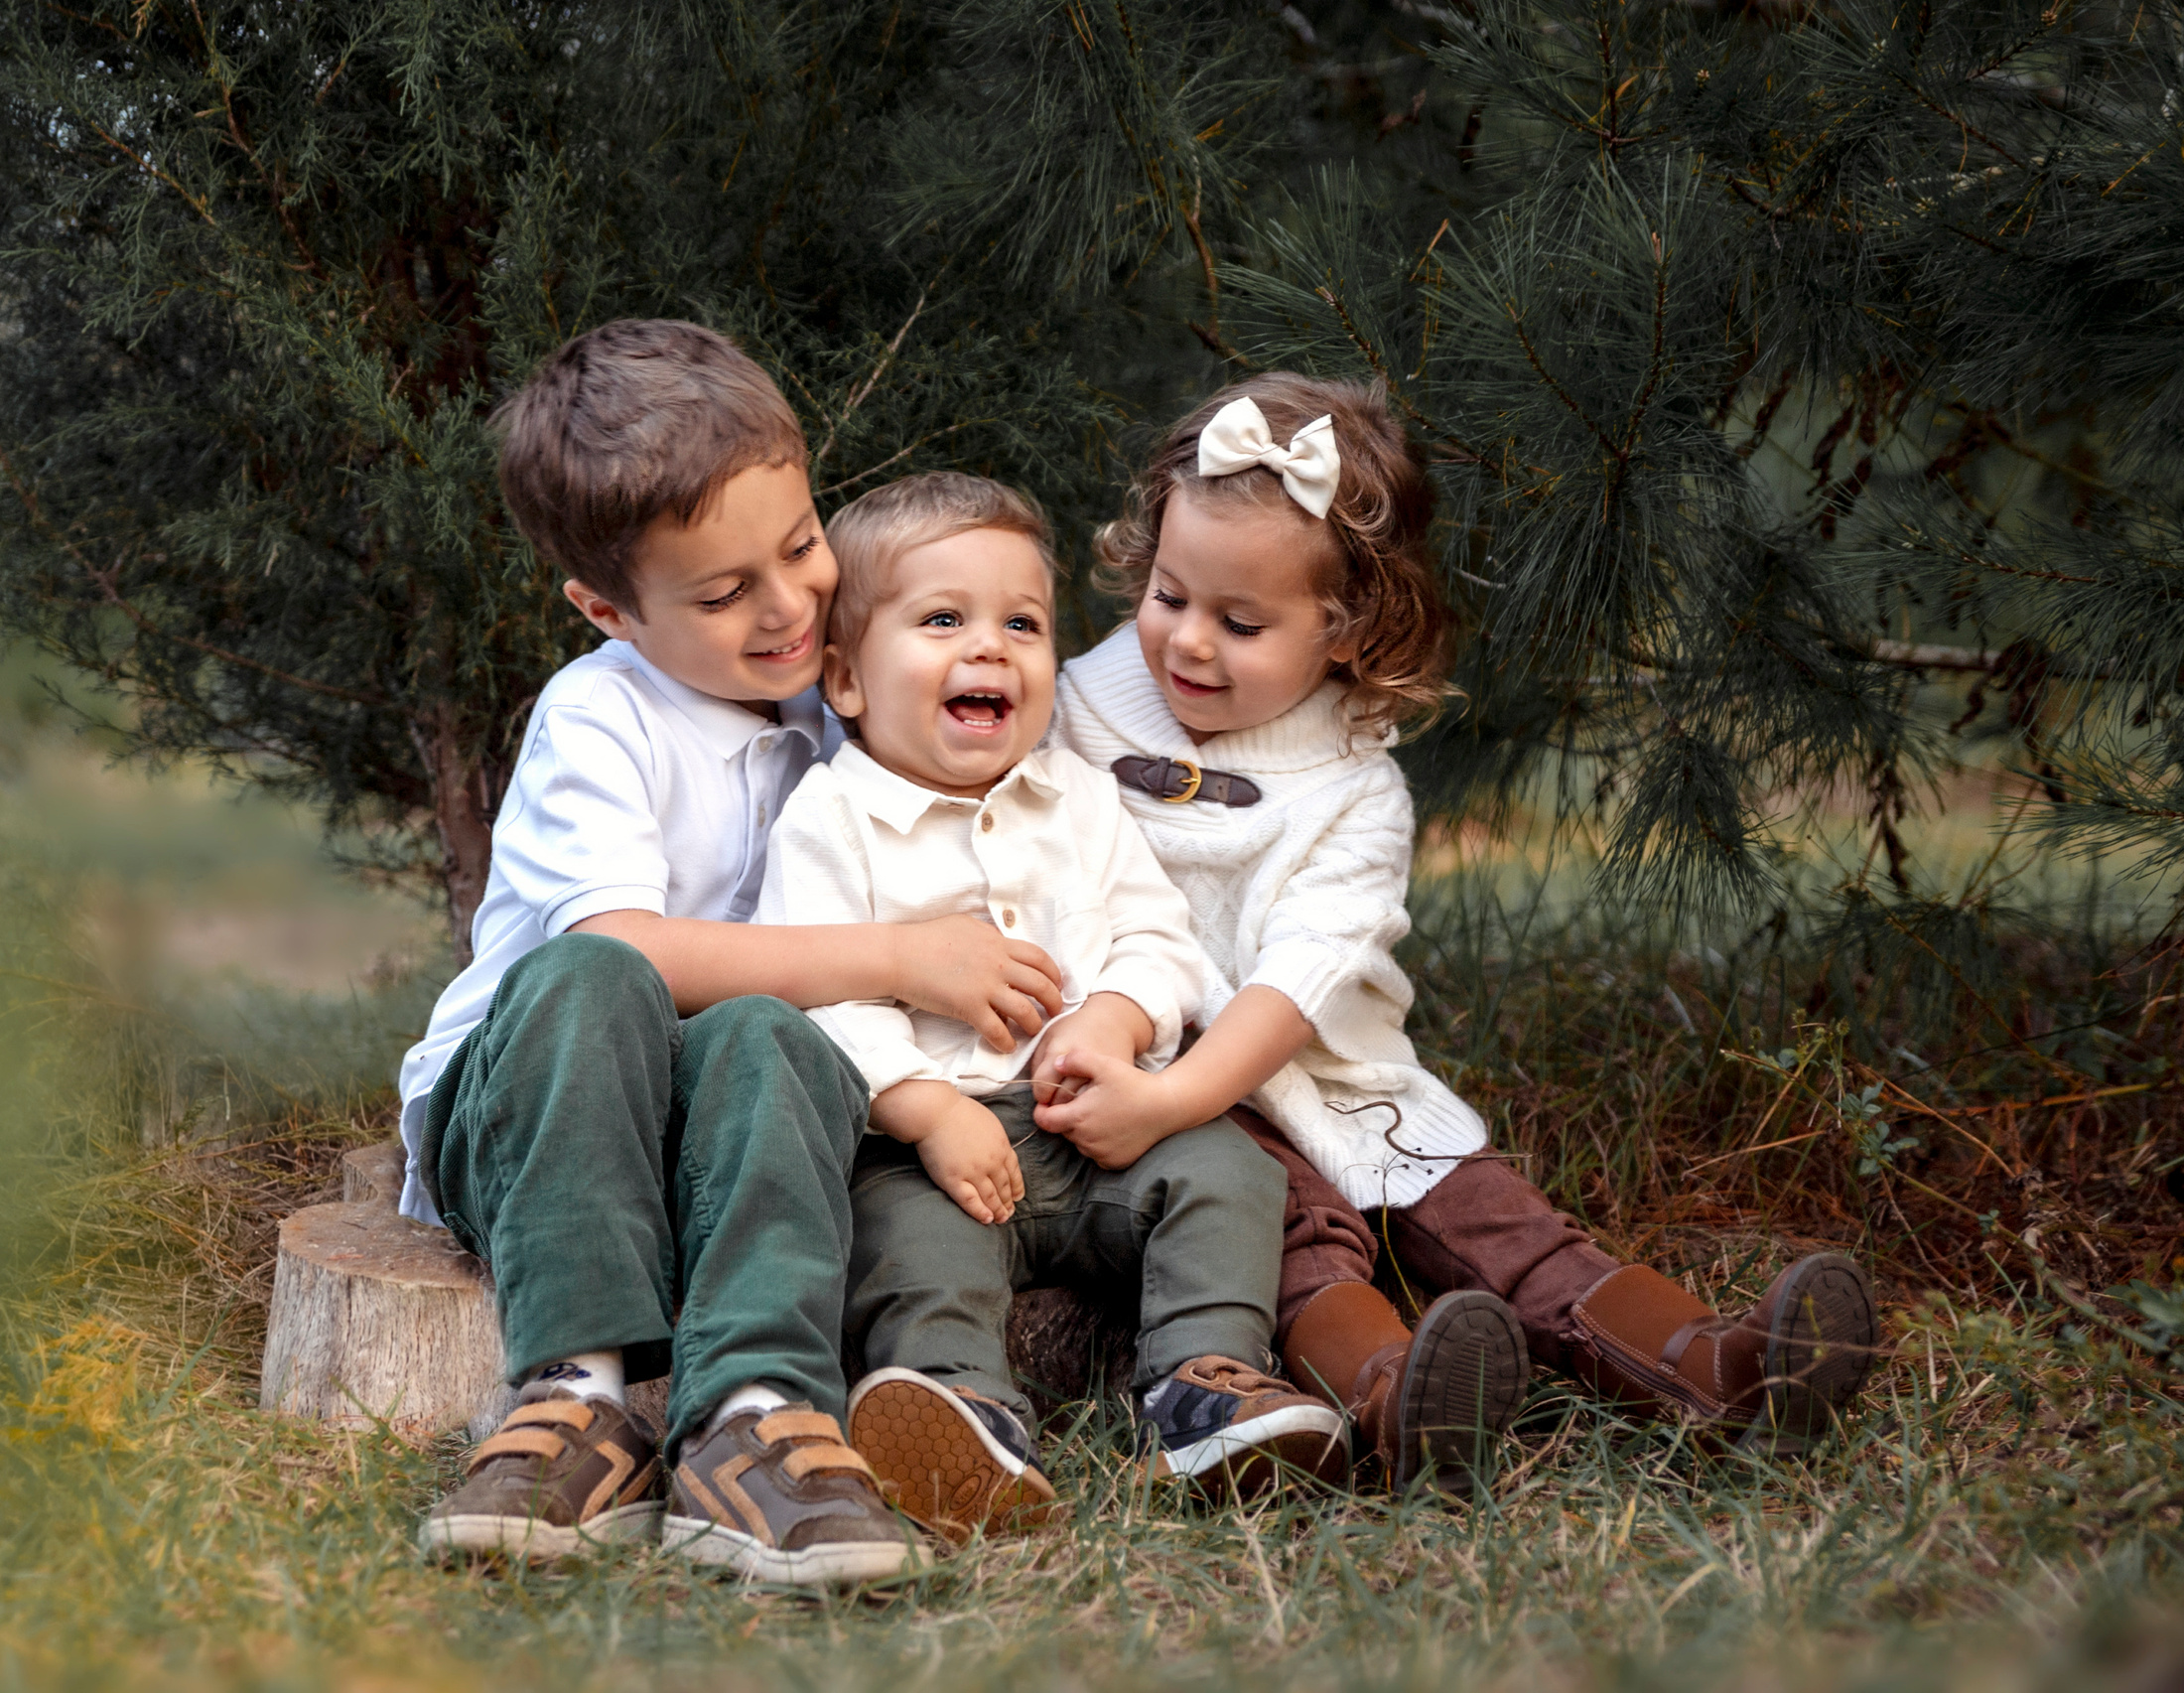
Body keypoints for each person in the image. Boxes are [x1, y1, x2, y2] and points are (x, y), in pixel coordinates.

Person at [1040, 374, 1881, 1485]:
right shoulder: (1073, 705)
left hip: (1334, 1080)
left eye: (1241, 622)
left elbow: (1299, 981)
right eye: (1167, 595)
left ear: (1346, 628)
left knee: (1495, 1217)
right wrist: (1159, 1095)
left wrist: (1180, 1094)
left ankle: (1715, 1367)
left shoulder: (1354, 789)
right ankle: (1403, 1395)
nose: (1188, 643)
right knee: (1292, 1241)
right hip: (1159, 1077)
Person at [401, 322, 1074, 1588]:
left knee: (773, 1034)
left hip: (716, 1119)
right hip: (541, 1102)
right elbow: (626, 951)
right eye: (721, 594)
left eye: (802, 544)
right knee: (602, 975)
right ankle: (576, 1397)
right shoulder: (601, 715)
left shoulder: (842, 693)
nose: (788, 606)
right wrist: (904, 955)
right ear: (609, 608)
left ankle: (751, 1415)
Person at [754, 471, 1349, 1546]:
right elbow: (817, 999)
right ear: (843, 678)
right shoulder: (829, 820)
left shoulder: (1072, 794)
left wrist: (1118, 1018)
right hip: (923, 1151)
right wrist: (929, 1109)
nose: (990, 648)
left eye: (1020, 624)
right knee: (904, 1247)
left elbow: (1155, 935)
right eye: (943, 620)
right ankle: (963, 1412)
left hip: (1093, 1131)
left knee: (1225, 1172)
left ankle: (1207, 1387)